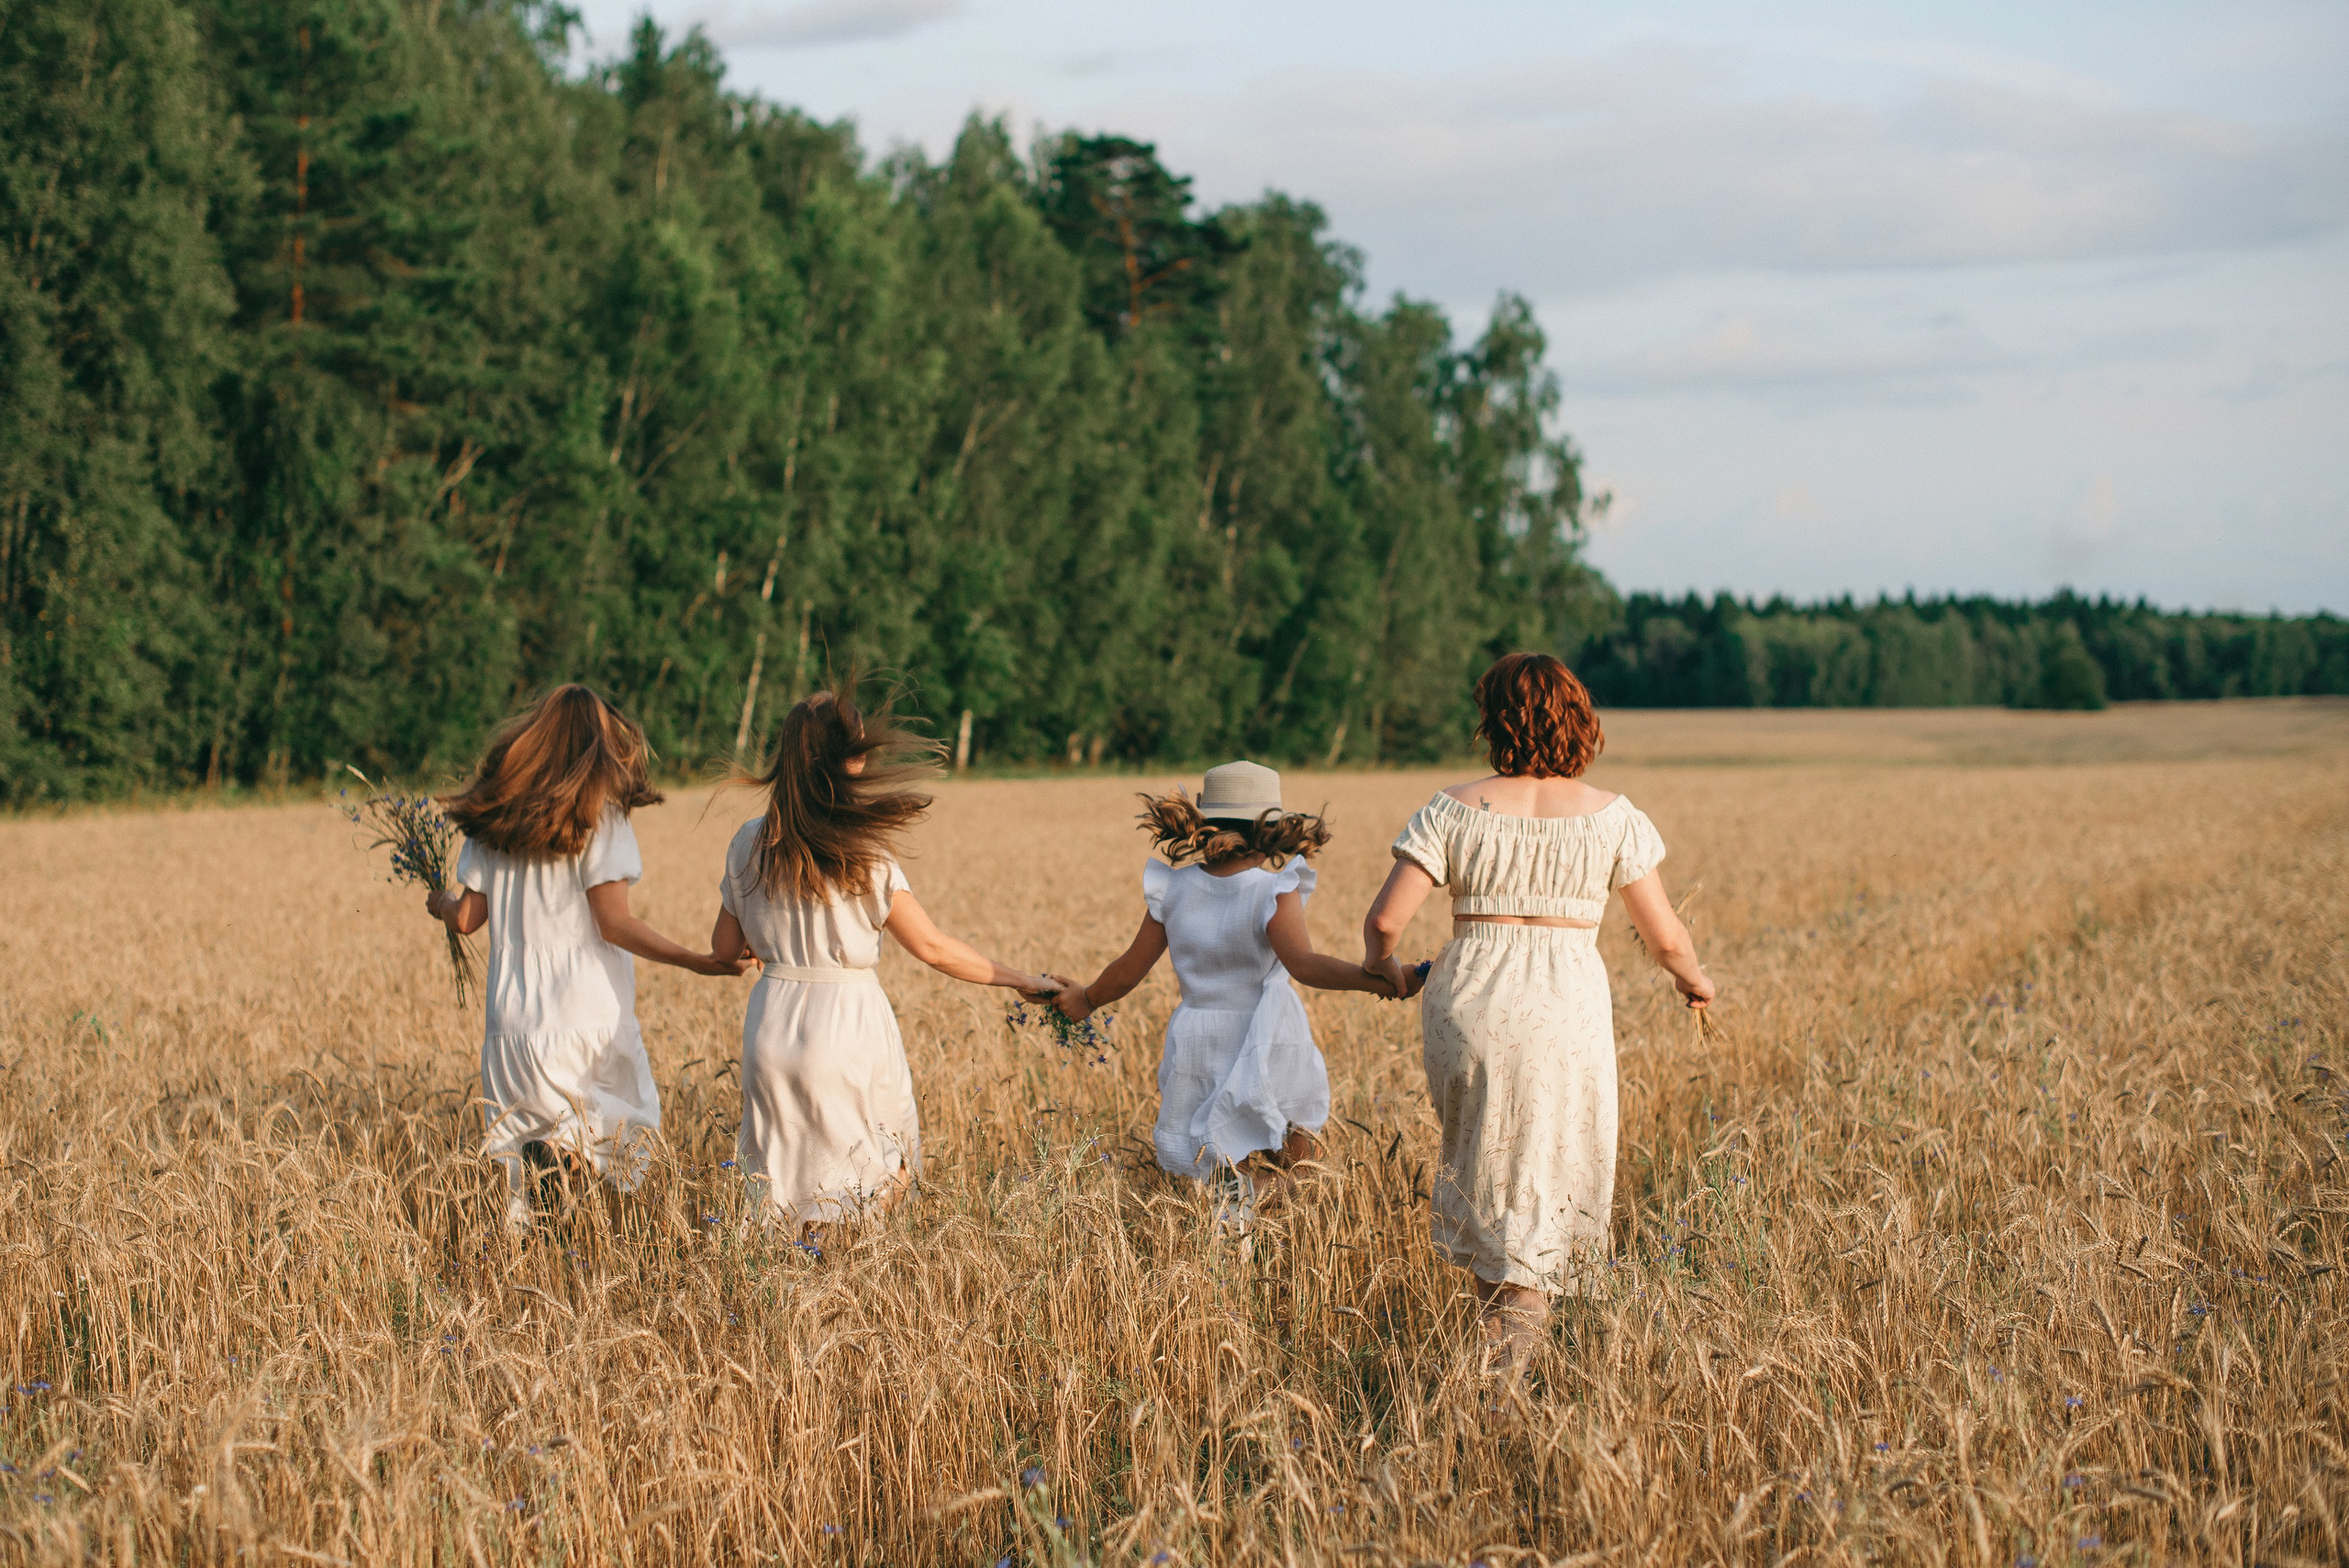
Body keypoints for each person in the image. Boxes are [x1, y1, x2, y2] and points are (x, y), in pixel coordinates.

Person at [1361, 652, 1715, 1372]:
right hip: (1563, 1005)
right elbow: (1666, 936)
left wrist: (1384, 971)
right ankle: (1504, 1381)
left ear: (1493, 720)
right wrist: (1695, 981)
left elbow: (1385, 922)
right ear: (1577, 719)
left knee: (1491, 1170)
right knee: (1541, 1178)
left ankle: (1499, 1353)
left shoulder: (1451, 808)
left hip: (1469, 1002)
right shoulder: (1613, 817)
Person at [709, 682, 1063, 1243]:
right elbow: (933, 948)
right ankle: (842, 1291)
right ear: (849, 761)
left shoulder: (749, 842)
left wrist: (769, 939)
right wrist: (1023, 980)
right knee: (875, 1174)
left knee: (781, 1179)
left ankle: (789, 1296)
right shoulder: (863, 850)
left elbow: (725, 950)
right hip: (845, 1022)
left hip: (771, 1023)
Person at [428, 684, 749, 1227]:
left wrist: (439, 901)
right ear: (597, 746)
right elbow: (614, 922)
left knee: (517, 1162)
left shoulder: (496, 821)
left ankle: (538, 1249)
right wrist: (698, 960)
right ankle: (565, 1155)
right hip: (586, 1011)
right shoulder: (598, 817)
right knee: (626, 1122)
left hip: (511, 1021)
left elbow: (465, 920)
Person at [1054, 761, 1411, 1230]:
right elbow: (1304, 965)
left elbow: (1126, 972)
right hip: (1267, 1028)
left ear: (1203, 821)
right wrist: (1378, 980)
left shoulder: (1173, 887)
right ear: (1271, 831)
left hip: (1199, 1034)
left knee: (1223, 1150)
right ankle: (1273, 1223)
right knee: (1301, 1150)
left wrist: (1086, 999)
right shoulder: (1273, 889)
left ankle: (1230, 1245)